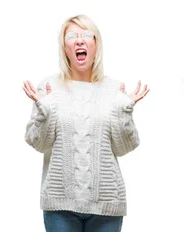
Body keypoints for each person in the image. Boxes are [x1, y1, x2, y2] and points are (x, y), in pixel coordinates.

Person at [23, 14, 149, 232]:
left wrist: (124, 111)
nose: (79, 41)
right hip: (60, 205)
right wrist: (44, 111)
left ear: (96, 44)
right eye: (72, 36)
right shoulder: (48, 87)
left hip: (107, 205)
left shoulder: (114, 89)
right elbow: (39, 144)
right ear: (64, 47)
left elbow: (124, 147)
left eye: (86, 35)